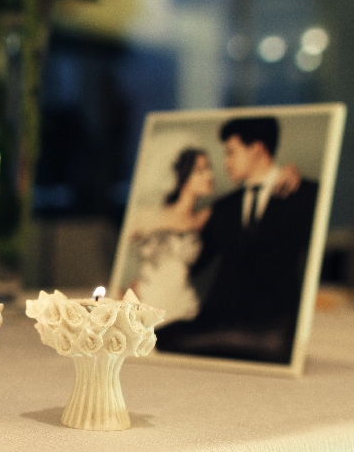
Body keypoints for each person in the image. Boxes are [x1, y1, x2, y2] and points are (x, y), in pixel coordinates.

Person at [157, 116, 318, 363]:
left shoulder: (306, 193)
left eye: (231, 152)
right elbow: (195, 261)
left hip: (276, 322)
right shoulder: (223, 207)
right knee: (162, 338)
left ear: (257, 150)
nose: (226, 162)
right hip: (219, 319)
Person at [131, 147, 214, 323]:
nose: (210, 175)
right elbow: (121, 252)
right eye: (200, 170)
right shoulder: (149, 215)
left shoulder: (204, 218)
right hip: (146, 299)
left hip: (184, 306)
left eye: (209, 168)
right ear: (184, 174)